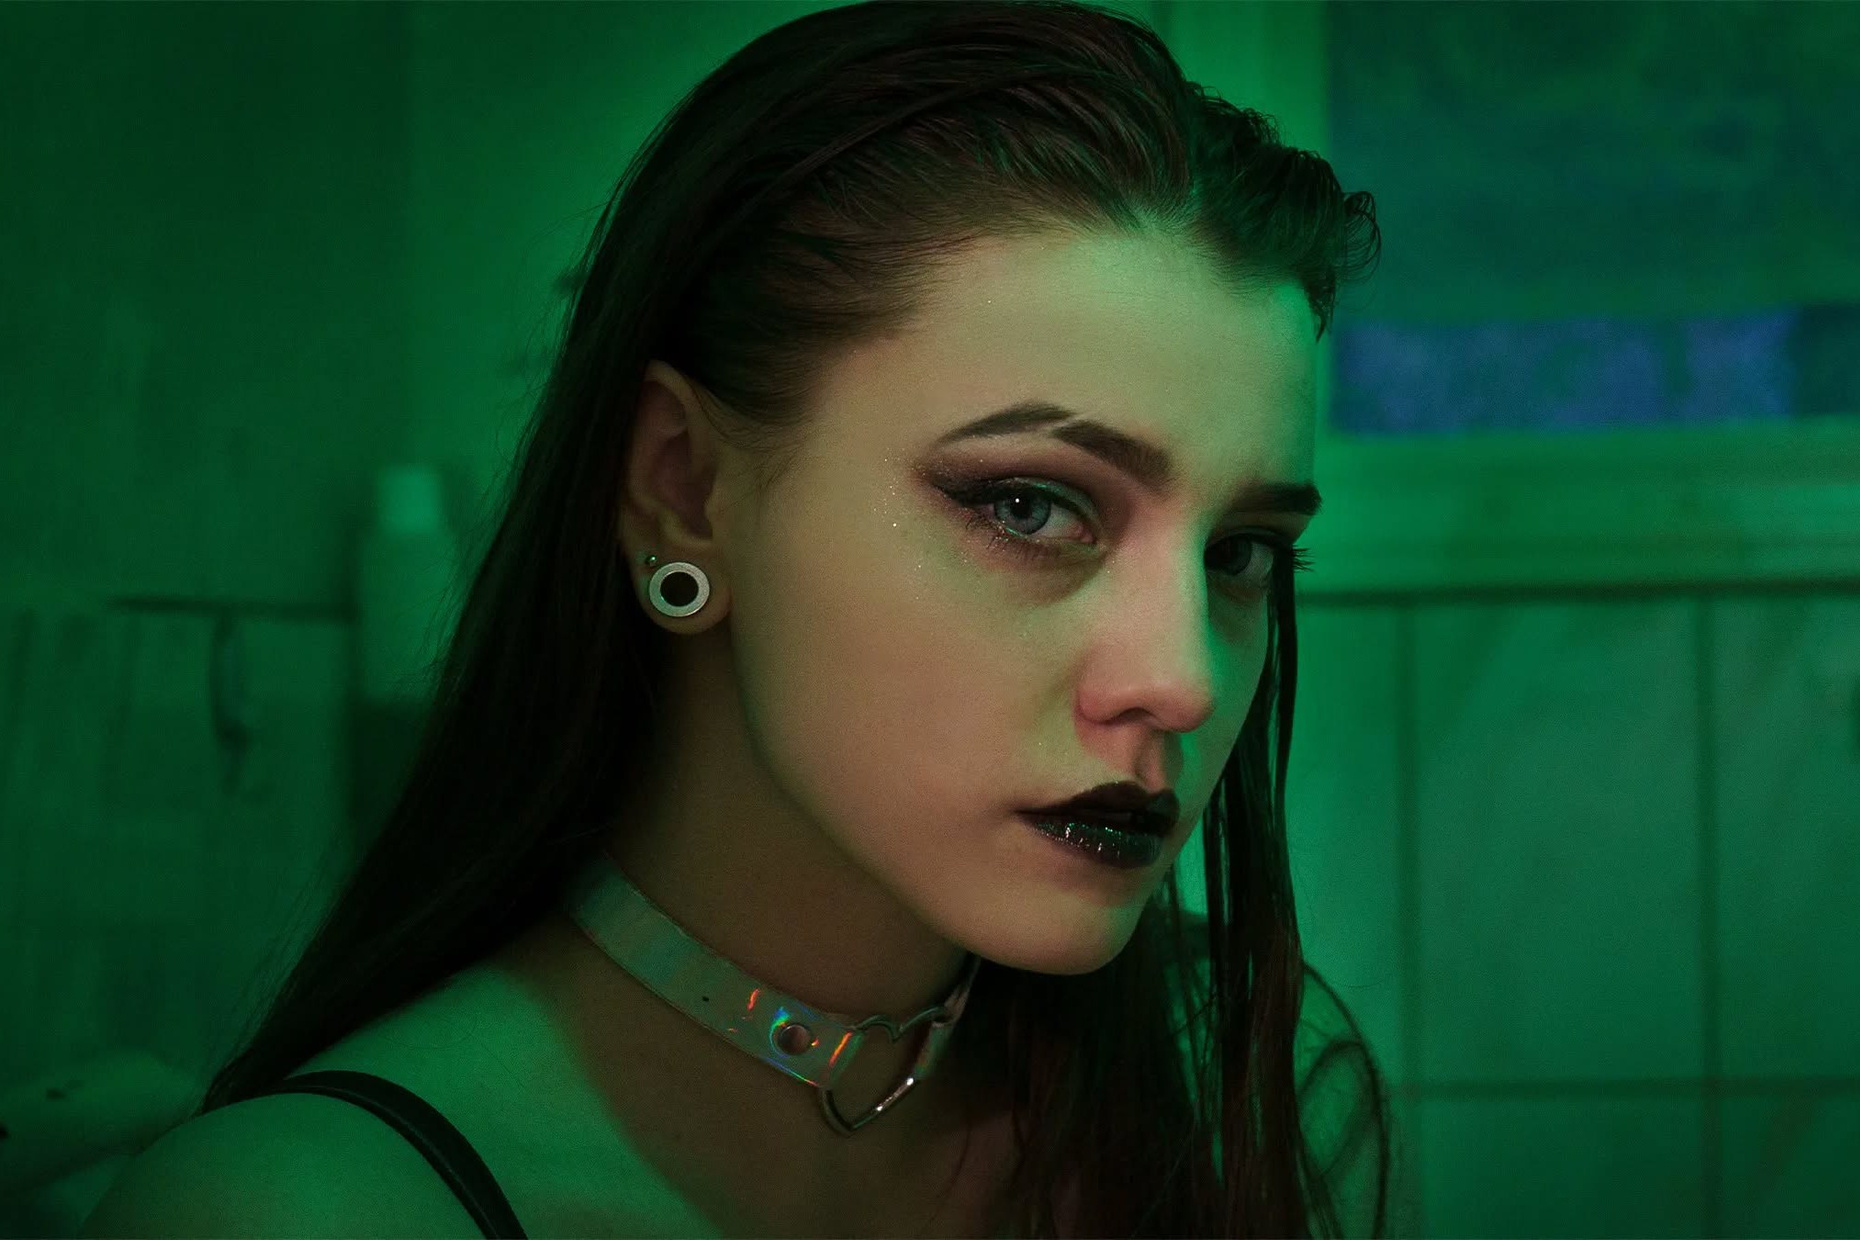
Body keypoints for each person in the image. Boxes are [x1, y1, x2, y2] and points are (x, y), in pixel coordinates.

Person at [81, 1, 1391, 1236]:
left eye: (1242, 552)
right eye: (1029, 507)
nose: (1181, 680)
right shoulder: (310, 1211)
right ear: (684, 489)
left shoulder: (1253, 1101)